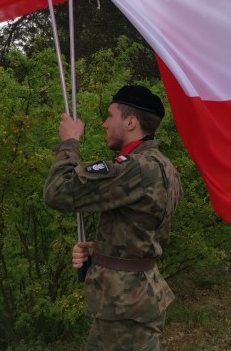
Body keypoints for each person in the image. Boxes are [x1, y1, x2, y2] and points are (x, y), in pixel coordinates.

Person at [43, 85, 183, 351]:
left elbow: (57, 191)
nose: (104, 123)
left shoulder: (136, 167)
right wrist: (101, 251)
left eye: (110, 116)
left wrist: (69, 142)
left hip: (124, 305)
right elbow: (145, 231)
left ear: (130, 122)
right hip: (134, 298)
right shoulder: (165, 166)